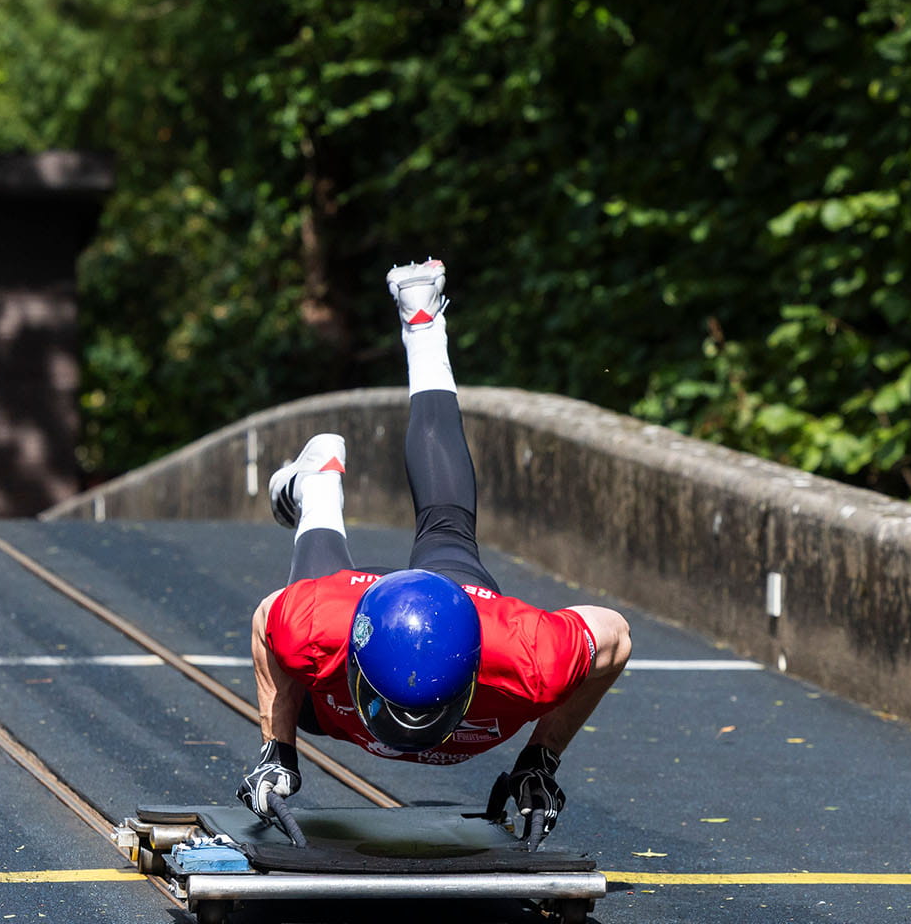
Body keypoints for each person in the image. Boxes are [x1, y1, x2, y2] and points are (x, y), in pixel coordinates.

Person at [241, 259, 632, 848]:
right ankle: (318, 485)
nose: (411, 736)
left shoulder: (529, 652)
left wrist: (540, 761)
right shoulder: (319, 625)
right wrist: (278, 747)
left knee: (450, 522)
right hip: (341, 679)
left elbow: (616, 636)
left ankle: (424, 322)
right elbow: (268, 618)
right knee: (305, 667)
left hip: (452, 618)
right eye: (396, 711)